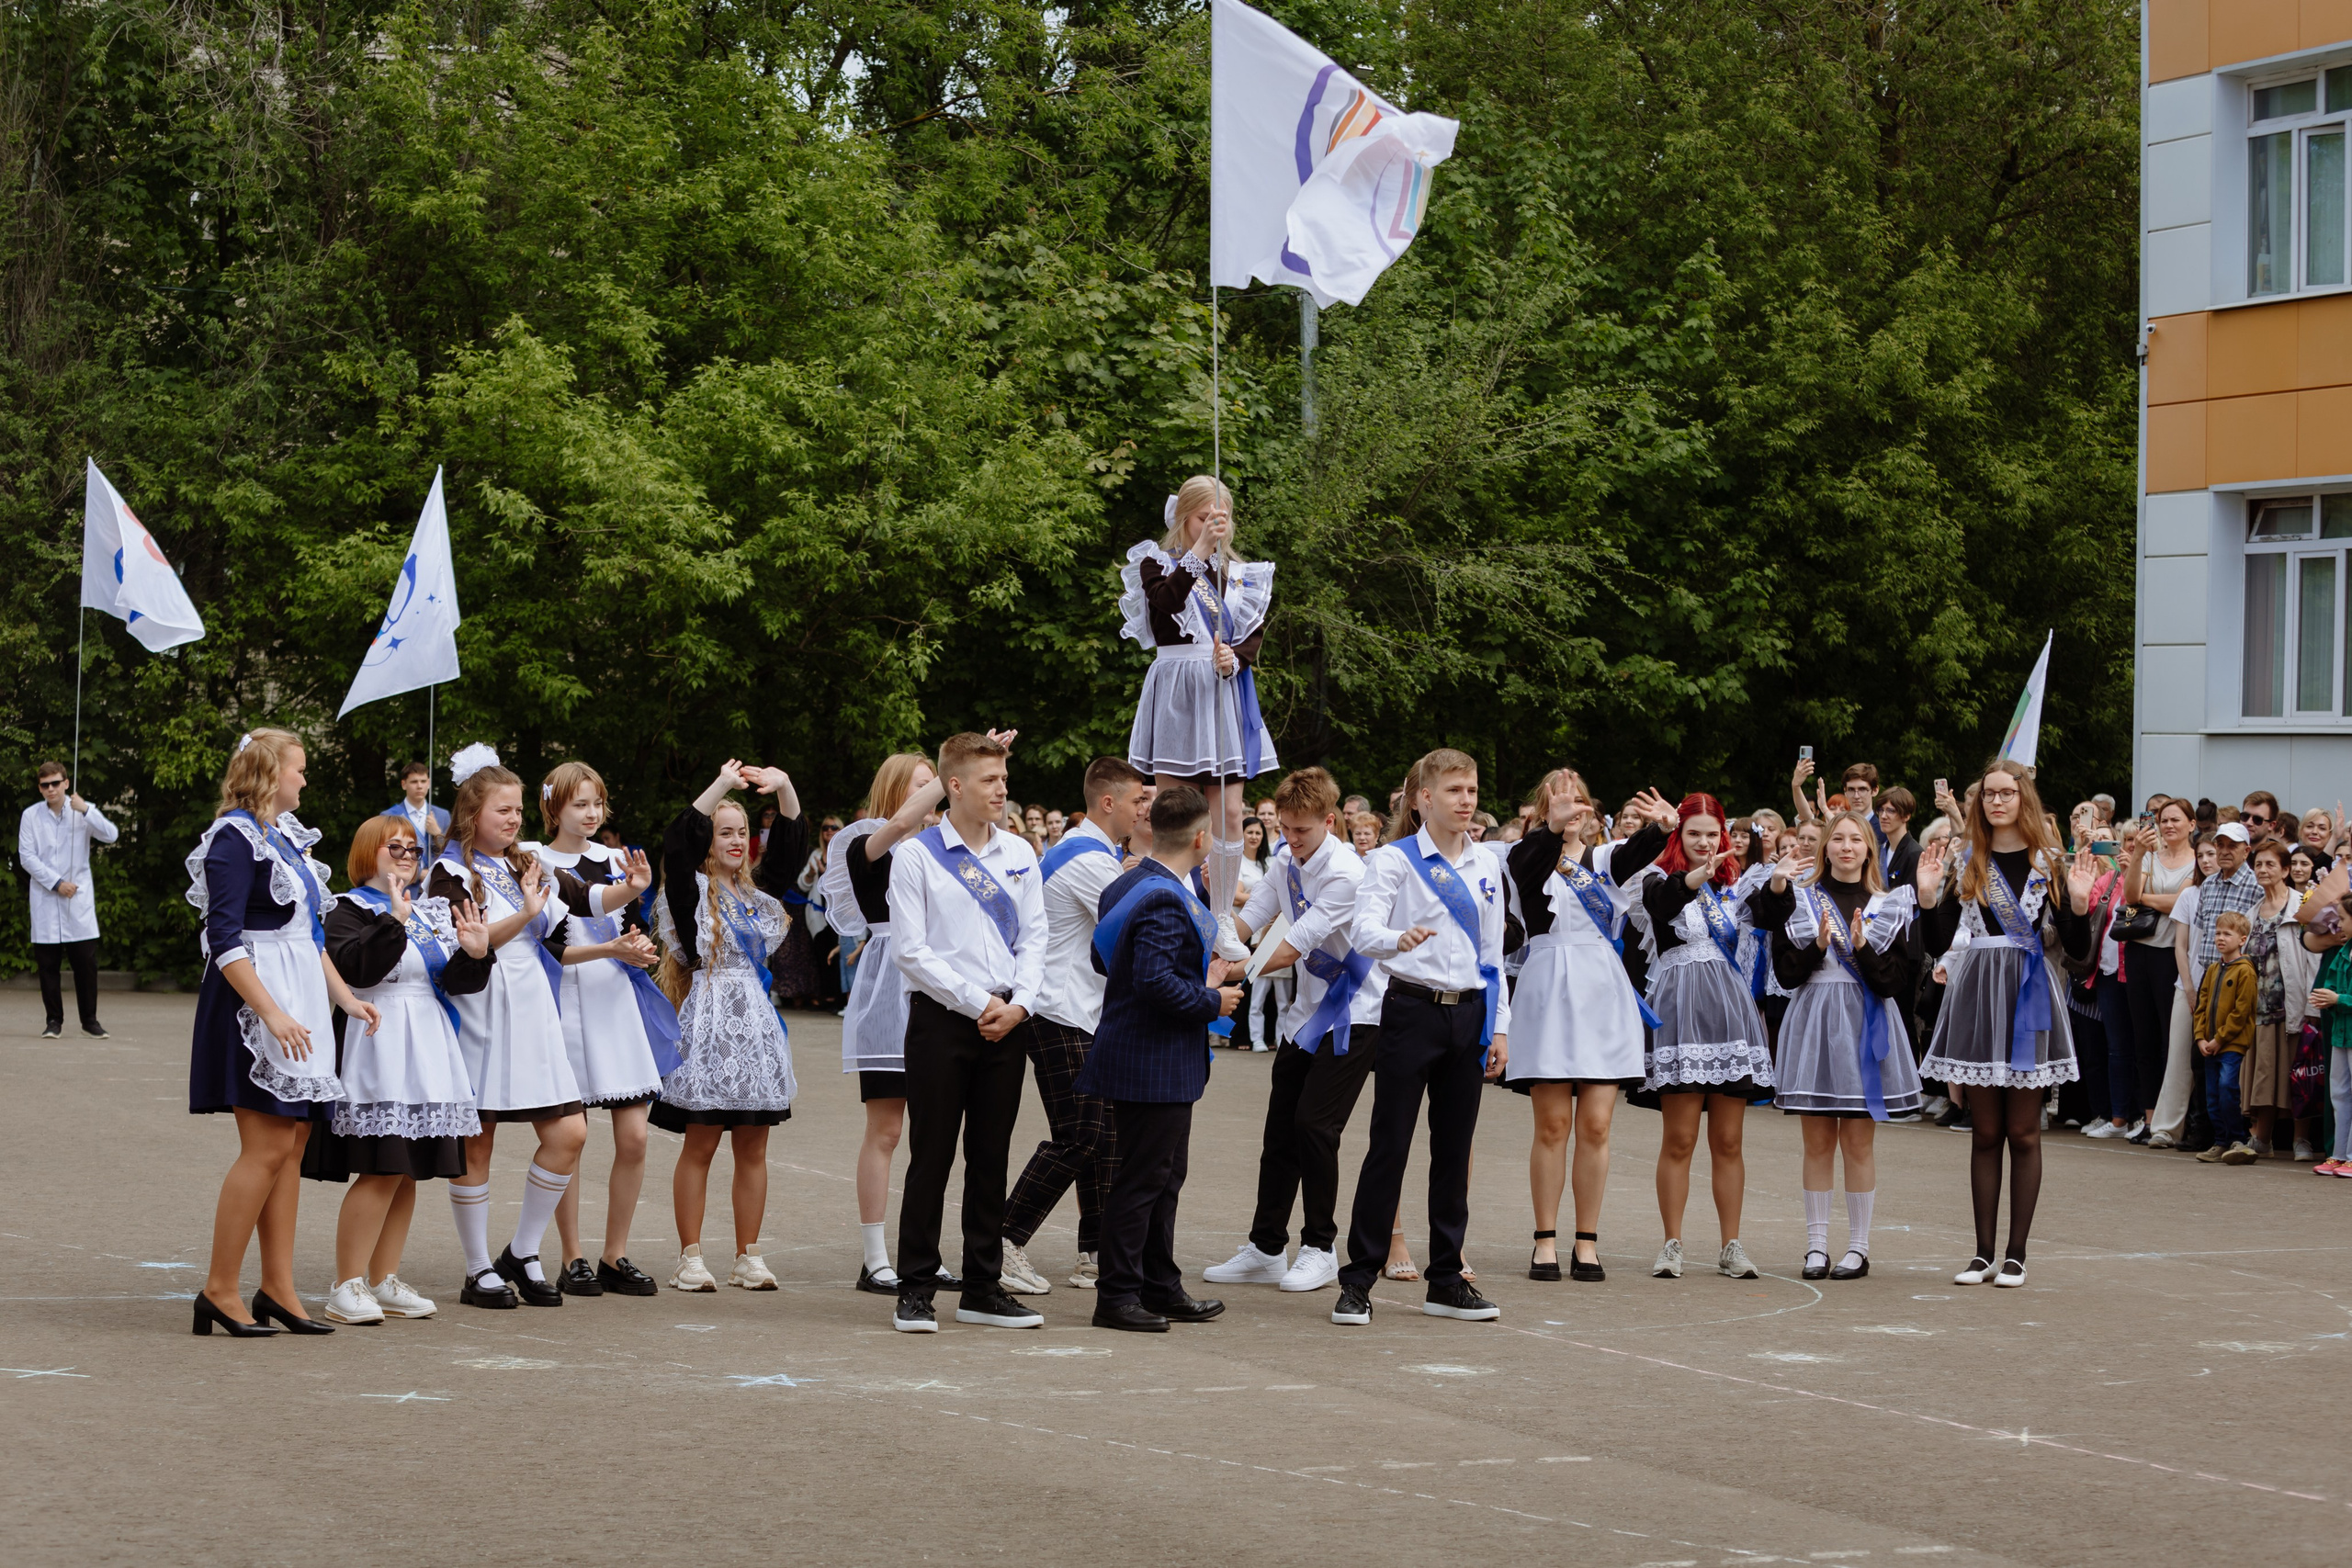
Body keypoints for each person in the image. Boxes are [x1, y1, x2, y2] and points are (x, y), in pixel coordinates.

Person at [187, 728, 380, 1337]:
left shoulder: (287, 838)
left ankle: (277, 1285)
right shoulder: (232, 838)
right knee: (267, 1145)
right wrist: (269, 1011)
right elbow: (224, 937)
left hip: (298, 994)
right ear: (270, 773)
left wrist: (344, 997)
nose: (304, 779)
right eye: (298, 769)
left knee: (292, 1144)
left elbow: (310, 935)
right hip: (254, 1001)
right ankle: (219, 1287)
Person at [428, 745, 631, 1311]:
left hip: (535, 1010)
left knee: (569, 1133)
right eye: (503, 811)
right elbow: (466, 944)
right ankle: (476, 1271)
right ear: (472, 815)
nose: (515, 820)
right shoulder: (450, 872)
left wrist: (631, 891)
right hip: (483, 1007)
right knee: (479, 1140)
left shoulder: (526, 863)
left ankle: (521, 1252)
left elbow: (582, 902)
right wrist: (521, 913)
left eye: (518, 810)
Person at [1330, 749, 1514, 1327]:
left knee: (1454, 1150)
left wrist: (1500, 1027)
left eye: (1472, 790)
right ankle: (1358, 1278)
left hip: (1470, 1013)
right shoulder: (1393, 861)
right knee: (1390, 1144)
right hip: (1411, 1008)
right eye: (1455, 790)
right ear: (1423, 799)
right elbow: (1362, 931)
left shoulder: (1486, 863)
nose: (1467, 801)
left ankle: (1446, 1280)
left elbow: (1493, 955)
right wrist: (1395, 939)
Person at [887, 731, 1047, 1334]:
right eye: (989, 780)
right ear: (954, 786)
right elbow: (912, 950)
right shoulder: (918, 856)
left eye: (1003, 779)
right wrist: (978, 999)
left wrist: (1020, 1004)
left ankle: (982, 1286)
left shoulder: (1021, 854)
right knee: (931, 1156)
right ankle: (917, 1285)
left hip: (1007, 1024)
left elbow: (1036, 938)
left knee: (990, 1156)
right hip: (941, 1022)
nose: (1002, 789)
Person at [1915, 761, 2098, 1288]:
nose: (1996, 802)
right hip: (1978, 992)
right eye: (1989, 794)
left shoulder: (2051, 862)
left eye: (2006, 793)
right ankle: (1982, 1253)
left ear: (2024, 799)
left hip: (2029, 991)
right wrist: (1929, 897)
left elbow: (2080, 952)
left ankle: (2016, 1254)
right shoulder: (1966, 860)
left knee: (2022, 1131)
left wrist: (2081, 906)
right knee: (1985, 1130)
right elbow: (1936, 943)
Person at [1206, 767, 1388, 1294]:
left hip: (1353, 1013)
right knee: (1279, 1130)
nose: (1290, 839)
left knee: (1315, 1125)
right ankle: (1266, 1247)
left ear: (1329, 821)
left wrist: (1226, 973)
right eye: (1284, 828)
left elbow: (1293, 944)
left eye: (1302, 829)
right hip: (1305, 1013)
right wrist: (1214, 944)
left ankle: (1320, 1247)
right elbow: (1251, 919)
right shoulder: (1286, 859)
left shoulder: (1347, 873)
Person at [308, 815, 491, 1325]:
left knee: (409, 1171)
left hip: (427, 1043)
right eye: (397, 847)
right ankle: (346, 1283)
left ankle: (383, 1278)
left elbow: (451, 982)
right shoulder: (347, 908)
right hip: (377, 1042)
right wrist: (393, 918)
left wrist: (476, 954)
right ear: (370, 851)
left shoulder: (429, 909)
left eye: (414, 849)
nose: (408, 856)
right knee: (382, 1165)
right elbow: (356, 971)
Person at [1075, 784, 1238, 1332]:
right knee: (1143, 1179)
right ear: (1199, 839)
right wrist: (1213, 998)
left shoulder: (1128, 883)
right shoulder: (1167, 896)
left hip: (1142, 1052)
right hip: (1153, 1059)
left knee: (1162, 1176)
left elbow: (1107, 962)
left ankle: (1159, 1285)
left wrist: (1199, 979)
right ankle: (1118, 1295)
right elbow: (1152, 981)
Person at [1498, 771, 1672, 1283]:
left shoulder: (1605, 860)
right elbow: (1527, 869)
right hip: (1548, 988)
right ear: (1542, 809)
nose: (1572, 811)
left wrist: (1661, 830)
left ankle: (1587, 1241)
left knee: (1596, 1125)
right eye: (1560, 801)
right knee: (1552, 1125)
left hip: (1601, 991)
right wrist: (1548, 832)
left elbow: (1635, 854)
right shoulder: (1523, 859)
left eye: (1579, 802)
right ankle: (1545, 1240)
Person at [999, 757, 1150, 1296]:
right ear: (1108, 803)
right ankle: (1004, 1240)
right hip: (1058, 1011)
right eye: (1138, 801)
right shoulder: (1088, 860)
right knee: (1081, 1134)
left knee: (1103, 1136)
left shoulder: (1093, 853)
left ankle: (1097, 1252)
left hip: (1076, 1013)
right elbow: (1137, 928)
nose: (1143, 810)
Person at [650, 761, 803, 1292]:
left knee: (754, 1146)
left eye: (742, 832)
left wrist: (783, 788)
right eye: (725, 832)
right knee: (701, 1142)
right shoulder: (689, 892)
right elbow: (675, 840)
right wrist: (720, 785)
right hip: (708, 1025)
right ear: (707, 840)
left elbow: (788, 852)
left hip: (756, 1029)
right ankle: (690, 1257)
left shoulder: (758, 898)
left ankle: (748, 1255)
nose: (737, 841)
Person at [1752, 810, 1922, 1280]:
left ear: (1870, 847)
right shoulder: (1803, 901)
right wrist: (1818, 947)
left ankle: (1859, 1248)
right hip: (1816, 1020)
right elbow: (1785, 975)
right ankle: (1816, 1246)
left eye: (1856, 839)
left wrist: (1863, 947)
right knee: (1817, 1141)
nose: (1847, 847)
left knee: (1858, 1141)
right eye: (1838, 839)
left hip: (1866, 1022)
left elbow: (1894, 983)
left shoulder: (1889, 904)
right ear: (1824, 848)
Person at [1118, 475, 1278, 958]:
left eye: (1220, 519)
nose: (1214, 526)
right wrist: (1198, 554)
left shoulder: (1241, 574)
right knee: (1174, 805)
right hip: (1177, 689)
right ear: (1184, 518)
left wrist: (1237, 658)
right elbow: (1165, 606)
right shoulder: (1155, 562)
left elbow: (1250, 632)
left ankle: (1223, 914)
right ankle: (1177, 898)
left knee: (1229, 808)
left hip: (1221, 691)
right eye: (1204, 518)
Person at [533, 763, 669, 1298]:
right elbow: (551, 943)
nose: (590, 814)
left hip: (616, 1000)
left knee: (634, 1138)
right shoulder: (534, 858)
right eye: (579, 805)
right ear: (553, 809)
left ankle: (615, 1253)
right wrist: (613, 947)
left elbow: (624, 929)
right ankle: (573, 1256)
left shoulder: (616, 859)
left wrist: (637, 951)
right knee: (571, 1138)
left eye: (597, 804)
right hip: (564, 996)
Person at [1633, 794, 1776, 1281]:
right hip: (1681, 1013)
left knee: (1730, 1140)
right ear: (1679, 835)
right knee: (1679, 1137)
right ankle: (1671, 1243)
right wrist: (1699, 874)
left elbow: (1773, 915)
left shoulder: (1737, 887)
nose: (1704, 842)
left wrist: (1778, 881)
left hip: (1730, 1014)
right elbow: (1666, 902)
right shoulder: (1656, 878)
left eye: (1711, 833)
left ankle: (1731, 1245)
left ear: (1724, 835)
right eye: (1693, 832)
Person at [819, 751, 939, 1293]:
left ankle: (924, 1252)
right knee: (887, 1129)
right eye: (926, 785)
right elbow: (897, 826)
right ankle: (875, 1258)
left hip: (942, 987)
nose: (937, 793)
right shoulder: (867, 841)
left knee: (935, 1135)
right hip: (890, 992)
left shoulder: (948, 847)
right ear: (897, 790)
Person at [19, 760, 118, 1039]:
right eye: (44, 785)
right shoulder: (31, 816)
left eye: (55, 783)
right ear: (40, 788)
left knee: (86, 965)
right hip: (47, 898)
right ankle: (53, 1021)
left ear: (65, 783)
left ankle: (89, 1020)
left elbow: (111, 835)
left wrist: (86, 810)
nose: (50, 789)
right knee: (48, 966)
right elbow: (27, 857)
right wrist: (56, 883)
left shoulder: (82, 811)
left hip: (78, 902)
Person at [2126, 800, 2198, 1145]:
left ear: (2192, 824)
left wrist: (2146, 898)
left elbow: (2182, 904)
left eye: (2175, 819)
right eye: (2162, 820)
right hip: (2140, 949)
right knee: (2144, 1038)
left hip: (2173, 953)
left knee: (2173, 1040)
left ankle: (2175, 1119)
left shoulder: (2199, 862)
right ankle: (2149, 1116)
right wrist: (2139, 855)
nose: (2168, 825)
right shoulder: (2150, 858)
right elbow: (2129, 896)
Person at [2240, 839, 2313, 1159]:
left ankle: (2302, 1141)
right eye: (2258, 864)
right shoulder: (2251, 911)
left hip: (2294, 1005)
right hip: (2260, 1009)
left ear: (2286, 869)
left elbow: (2313, 959)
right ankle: (2262, 1140)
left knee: (2300, 1075)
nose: (2263, 870)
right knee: (2265, 1074)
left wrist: (2312, 1007)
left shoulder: (2303, 907)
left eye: (2271, 864)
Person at [2191, 911, 2259, 1165]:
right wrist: (2200, 1037)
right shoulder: (2212, 969)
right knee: (2212, 1095)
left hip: (2230, 1044)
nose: (2220, 938)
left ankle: (2238, 1140)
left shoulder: (2245, 971)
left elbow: (2242, 1012)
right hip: (2209, 1044)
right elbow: (2202, 1005)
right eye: (2218, 933)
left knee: (2227, 1088)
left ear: (2242, 939)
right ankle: (2220, 1141)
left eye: (2227, 934)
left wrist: (2219, 1039)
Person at [379, 760, 450, 873]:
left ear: (429, 783)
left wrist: (437, 833)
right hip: (403, 883)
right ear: (404, 784)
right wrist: (419, 874)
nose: (419, 786)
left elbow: (452, 853)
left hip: (436, 883)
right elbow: (385, 857)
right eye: (414, 782)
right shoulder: (389, 816)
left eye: (423, 781)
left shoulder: (442, 815)